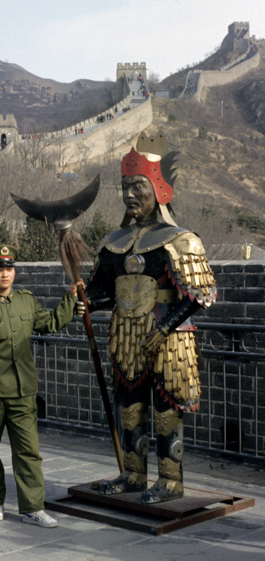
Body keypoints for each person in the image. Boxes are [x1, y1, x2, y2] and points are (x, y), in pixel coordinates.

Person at [78, 131, 217, 503]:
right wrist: (86, 302)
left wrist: (166, 326)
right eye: (125, 186)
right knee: (130, 405)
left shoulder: (181, 239)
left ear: (158, 188)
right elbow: (104, 290)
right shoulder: (114, 242)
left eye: (137, 185)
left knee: (165, 408)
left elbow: (200, 295)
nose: (129, 194)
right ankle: (133, 474)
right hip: (126, 335)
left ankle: (170, 480)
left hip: (168, 340)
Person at [0, 244, 80, 526]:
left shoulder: (27, 301)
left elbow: (50, 323)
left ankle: (32, 508)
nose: (5, 274)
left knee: (28, 451)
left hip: (23, 392)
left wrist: (70, 298)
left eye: (9, 269)